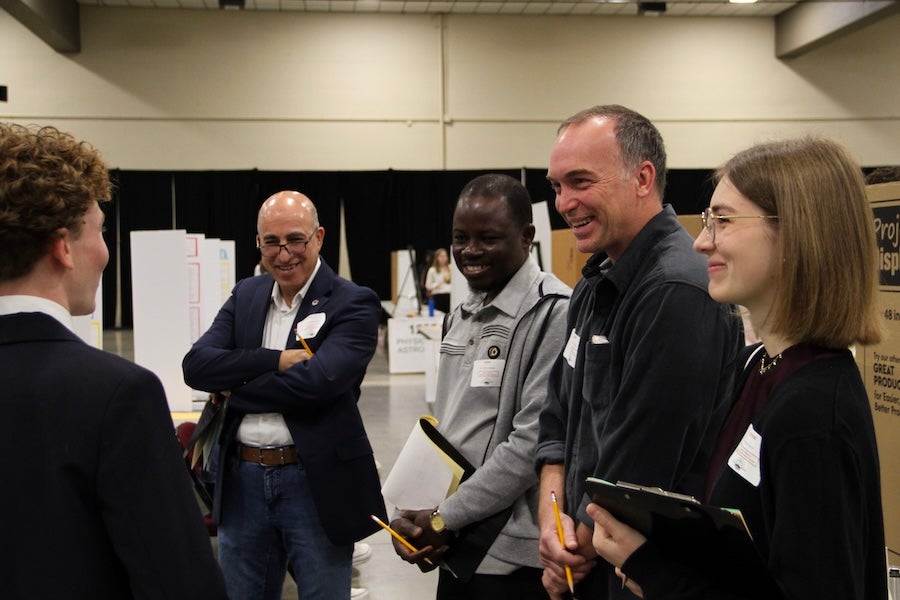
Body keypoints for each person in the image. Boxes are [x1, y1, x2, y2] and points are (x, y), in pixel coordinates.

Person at [587, 137, 887, 599]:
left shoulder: (812, 414)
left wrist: (653, 570)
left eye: (722, 221)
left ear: (797, 233)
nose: (702, 241)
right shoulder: (764, 368)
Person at [0, 123, 227, 599]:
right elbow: (179, 581)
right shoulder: (116, 395)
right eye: (101, 231)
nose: (104, 251)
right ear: (64, 247)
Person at [535, 105, 743, 599]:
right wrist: (551, 522)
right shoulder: (594, 283)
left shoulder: (675, 291)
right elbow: (557, 419)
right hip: (588, 557)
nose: (565, 202)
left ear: (643, 178)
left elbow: (640, 468)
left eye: (581, 182)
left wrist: (574, 551)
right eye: (557, 185)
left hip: (643, 573)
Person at [182, 190, 386, 600]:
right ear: (258, 243)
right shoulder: (247, 294)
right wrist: (275, 360)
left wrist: (233, 387)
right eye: (271, 242)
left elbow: (319, 383)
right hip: (242, 482)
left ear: (319, 237)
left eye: (296, 239)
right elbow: (197, 366)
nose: (283, 253)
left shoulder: (354, 303)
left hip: (314, 483)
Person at [391, 173, 571, 599]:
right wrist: (414, 511)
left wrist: (442, 518)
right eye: (460, 237)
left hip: (508, 556)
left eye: (488, 238)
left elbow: (531, 443)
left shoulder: (553, 313)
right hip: (453, 544)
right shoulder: (460, 314)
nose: (470, 251)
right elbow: (448, 428)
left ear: (526, 237)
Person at [425, 247, 452, 313]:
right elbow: (427, 285)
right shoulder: (432, 270)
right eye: (441, 256)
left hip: (449, 295)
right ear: (437, 258)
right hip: (438, 295)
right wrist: (435, 285)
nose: (444, 258)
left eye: (445, 256)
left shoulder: (451, 268)